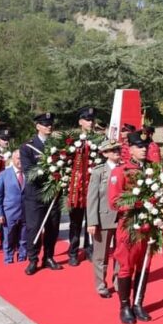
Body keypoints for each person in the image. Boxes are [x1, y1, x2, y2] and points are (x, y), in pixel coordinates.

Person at [108, 130, 153, 324]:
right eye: (139, 146)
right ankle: (125, 306)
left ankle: (138, 303)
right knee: (126, 266)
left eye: (145, 146)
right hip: (129, 226)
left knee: (145, 264)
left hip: (149, 226)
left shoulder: (153, 169)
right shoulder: (121, 171)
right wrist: (137, 204)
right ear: (131, 149)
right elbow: (114, 201)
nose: (143, 150)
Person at [22, 112, 63, 275]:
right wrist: (49, 173)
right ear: (38, 126)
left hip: (53, 194)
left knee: (52, 227)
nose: (49, 126)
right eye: (45, 124)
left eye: (51, 124)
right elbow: (29, 171)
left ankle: (48, 257)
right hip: (35, 195)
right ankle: (33, 259)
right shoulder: (28, 147)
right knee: (34, 228)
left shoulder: (58, 145)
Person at [87, 140, 122, 298]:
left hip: (121, 218)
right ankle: (101, 285)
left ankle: (119, 282)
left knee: (120, 254)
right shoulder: (98, 172)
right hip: (104, 219)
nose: (117, 152)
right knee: (101, 255)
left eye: (118, 149)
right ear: (105, 153)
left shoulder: (124, 169)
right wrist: (92, 221)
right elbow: (92, 198)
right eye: (113, 150)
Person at [65, 106, 98, 267]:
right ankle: (73, 251)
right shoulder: (72, 140)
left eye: (92, 120)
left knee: (91, 220)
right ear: (80, 122)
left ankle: (89, 249)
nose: (90, 123)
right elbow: (65, 162)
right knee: (75, 221)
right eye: (87, 120)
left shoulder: (98, 140)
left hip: (92, 187)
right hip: (76, 189)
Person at [0, 152, 27, 264]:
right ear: (13, 159)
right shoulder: (3, 175)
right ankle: (8, 258)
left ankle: (22, 257)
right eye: (18, 158)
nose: (20, 161)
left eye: (22, 158)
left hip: (25, 212)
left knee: (24, 238)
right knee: (9, 238)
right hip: (9, 213)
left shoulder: (28, 173)